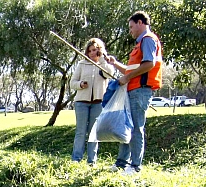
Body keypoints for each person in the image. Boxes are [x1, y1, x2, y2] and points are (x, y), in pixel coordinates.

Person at [105, 11, 163, 174]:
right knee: (127, 126)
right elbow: (132, 69)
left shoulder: (148, 40)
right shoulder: (139, 44)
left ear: (140, 23)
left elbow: (148, 64)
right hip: (132, 90)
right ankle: (122, 163)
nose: (130, 30)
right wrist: (115, 64)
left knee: (136, 127)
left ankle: (135, 165)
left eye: (131, 27)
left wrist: (127, 78)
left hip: (140, 90)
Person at [70, 37, 113, 165]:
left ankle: (91, 161)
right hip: (82, 102)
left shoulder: (105, 64)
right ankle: (76, 159)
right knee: (80, 131)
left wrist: (102, 59)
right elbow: (72, 82)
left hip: (98, 102)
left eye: (95, 50)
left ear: (100, 50)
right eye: (90, 51)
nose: (92, 53)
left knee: (94, 132)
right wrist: (80, 84)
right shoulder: (81, 64)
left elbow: (109, 74)